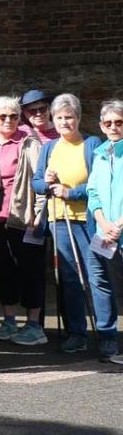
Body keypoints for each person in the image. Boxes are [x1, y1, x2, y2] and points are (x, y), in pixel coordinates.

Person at [32, 93, 110, 356]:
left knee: (97, 277)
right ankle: (76, 334)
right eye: (60, 118)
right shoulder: (49, 148)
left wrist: (71, 192)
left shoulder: (92, 144)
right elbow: (37, 183)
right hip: (59, 222)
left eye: (70, 117)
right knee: (68, 279)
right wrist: (49, 183)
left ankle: (107, 335)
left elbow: (99, 183)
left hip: (89, 221)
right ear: (53, 120)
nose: (65, 122)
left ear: (78, 118)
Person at [0, 95, 47, 347]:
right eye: (3, 116)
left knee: (30, 269)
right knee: (2, 270)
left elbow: (41, 181)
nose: (9, 120)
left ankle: (34, 325)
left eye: (13, 115)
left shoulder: (29, 143)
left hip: (24, 218)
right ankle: (9, 320)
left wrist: (38, 214)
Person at [87, 99, 123, 366]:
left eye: (119, 122)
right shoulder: (100, 153)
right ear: (101, 125)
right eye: (108, 123)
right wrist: (102, 221)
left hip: (119, 231)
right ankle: (108, 340)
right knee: (100, 284)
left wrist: (118, 224)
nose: (113, 127)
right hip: (102, 234)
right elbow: (93, 192)